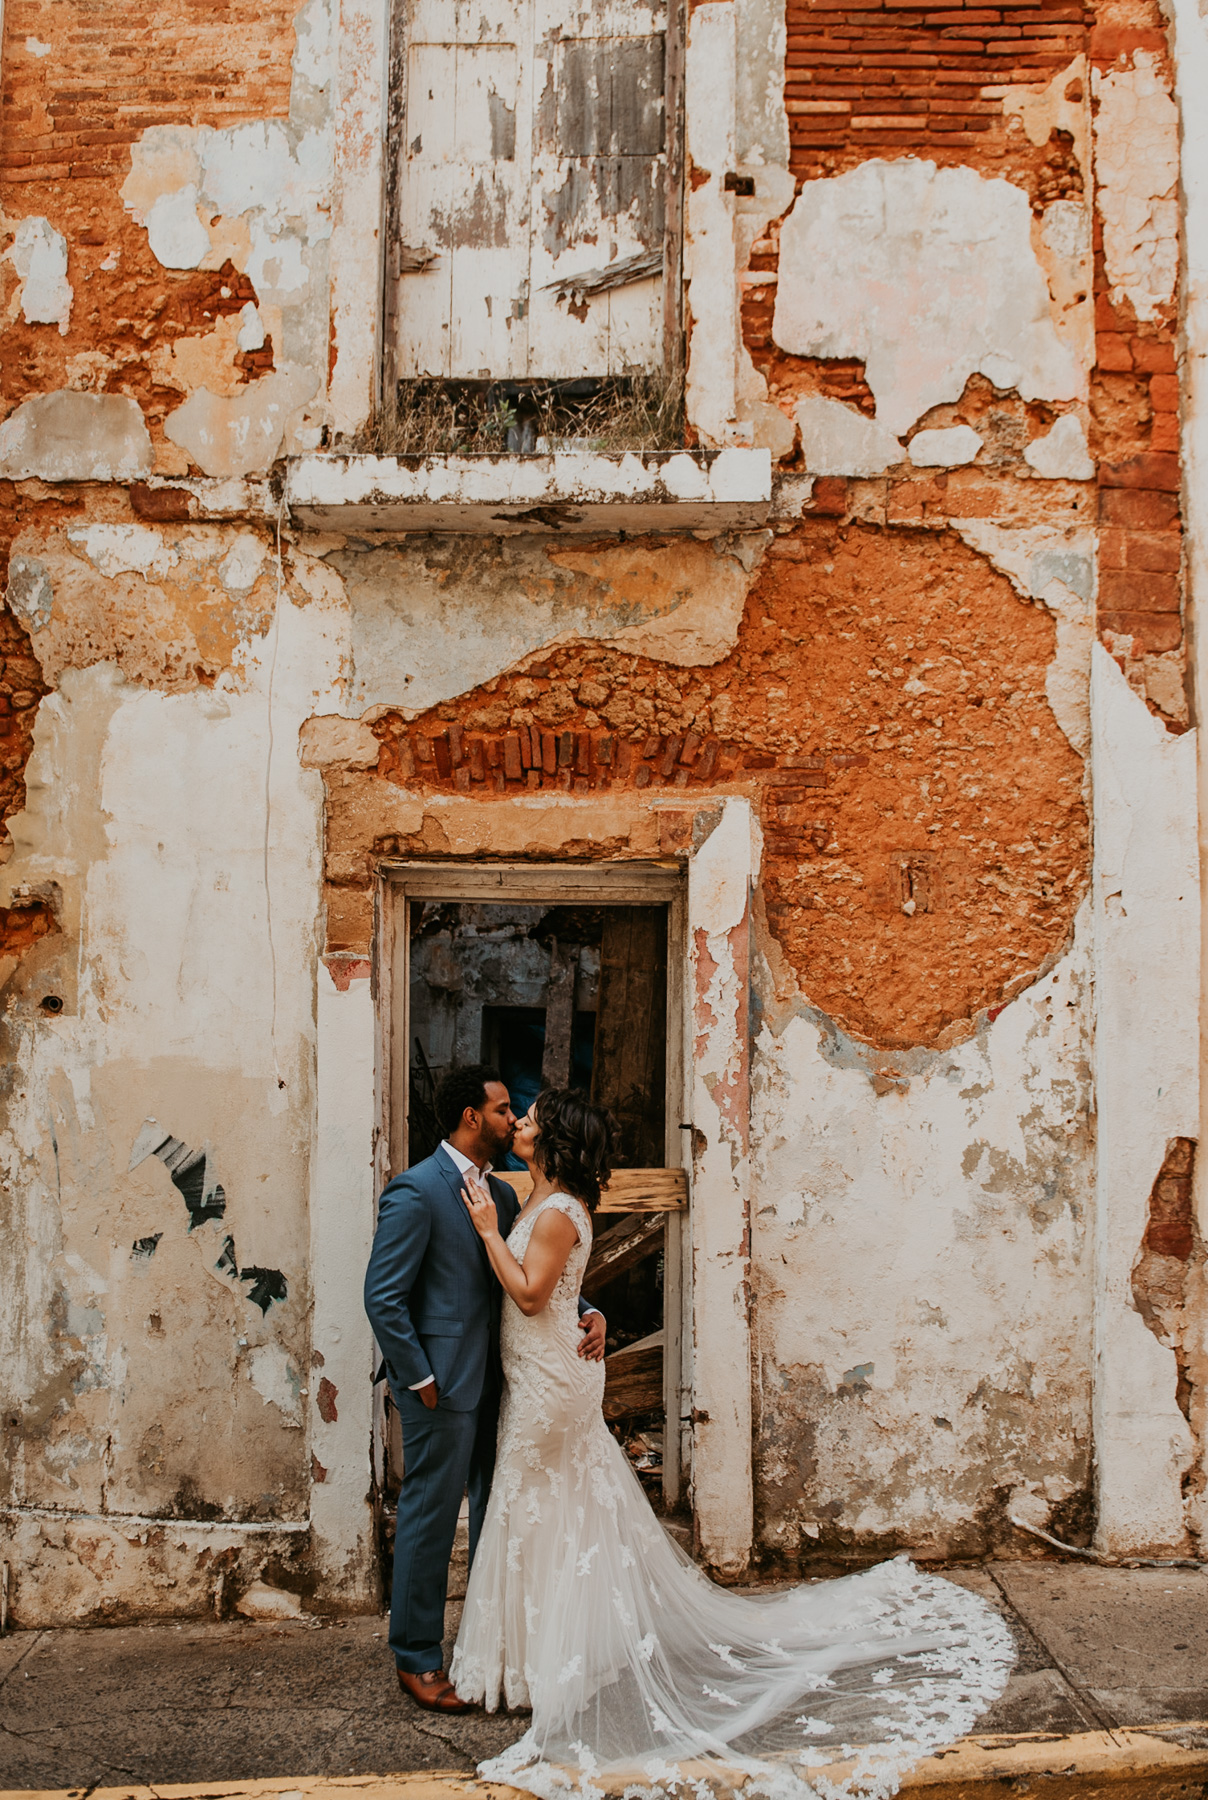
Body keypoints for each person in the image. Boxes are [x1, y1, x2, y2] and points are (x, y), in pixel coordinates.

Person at [450, 1087, 1015, 1800]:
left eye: (533, 1117)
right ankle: (544, 1656)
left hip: (550, 1385)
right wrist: (579, 1302)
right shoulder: (544, 1200)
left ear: (556, 1139)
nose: (521, 1124)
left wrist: (486, 1232)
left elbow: (532, 1295)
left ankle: (545, 1661)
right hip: (541, 1371)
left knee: (535, 1503)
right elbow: (561, 1295)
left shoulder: (557, 1211)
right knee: (544, 1508)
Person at [363, 1064, 607, 1714]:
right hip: (440, 1389)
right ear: (473, 1117)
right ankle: (416, 1659)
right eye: (504, 1111)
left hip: (510, 1387)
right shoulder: (416, 1191)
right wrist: (417, 1376)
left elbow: (534, 1272)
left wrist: (590, 1308)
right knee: (430, 1519)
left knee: (504, 1521)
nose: (513, 1120)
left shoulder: (502, 1195)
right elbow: (383, 1298)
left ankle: (500, 1651)